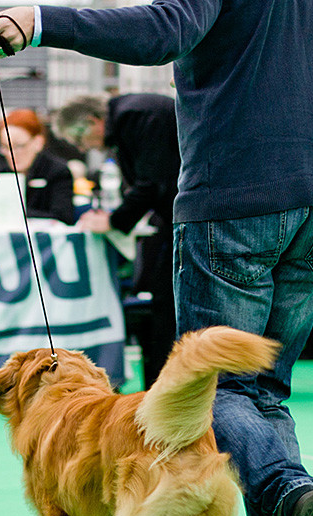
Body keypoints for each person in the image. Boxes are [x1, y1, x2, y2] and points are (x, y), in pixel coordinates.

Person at [0, 0, 313, 516]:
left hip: (235, 196)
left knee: (219, 387)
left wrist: (43, 20)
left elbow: (165, 31)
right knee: (265, 389)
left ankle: (286, 491)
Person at [53, 93, 181, 386]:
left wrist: (113, 219)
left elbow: (152, 182)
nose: (81, 147)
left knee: (165, 304)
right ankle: (158, 384)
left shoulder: (135, 115)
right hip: (172, 218)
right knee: (159, 300)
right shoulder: (130, 118)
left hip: (185, 218)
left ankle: (163, 386)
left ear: (92, 121)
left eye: (78, 138)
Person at [0, 109, 76, 225]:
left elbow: (62, 216)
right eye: (5, 147)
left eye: (19, 146)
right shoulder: (2, 173)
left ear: (38, 142)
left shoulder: (57, 172)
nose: (12, 154)